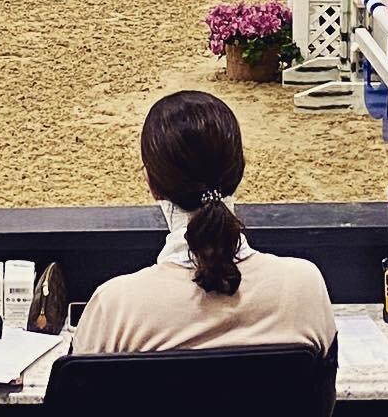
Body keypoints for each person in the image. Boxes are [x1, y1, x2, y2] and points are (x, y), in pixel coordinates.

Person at [74, 91, 335, 356]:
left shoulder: (116, 307)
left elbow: (78, 393)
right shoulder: (304, 287)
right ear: (239, 171)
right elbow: (324, 393)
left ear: (152, 184)